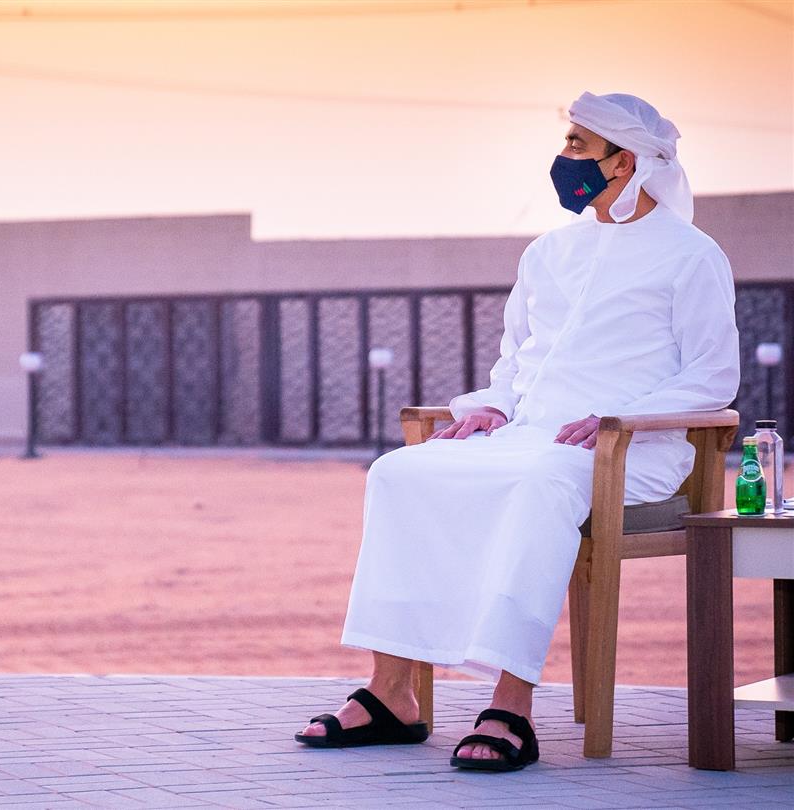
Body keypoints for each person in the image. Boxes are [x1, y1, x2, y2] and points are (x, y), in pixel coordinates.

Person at [294, 92, 740, 771]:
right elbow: (515, 362)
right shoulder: (549, 252)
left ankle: (511, 704)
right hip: (529, 437)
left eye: (577, 145)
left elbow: (713, 376)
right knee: (399, 471)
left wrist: (620, 419)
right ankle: (391, 694)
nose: (563, 157)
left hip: (632, 450)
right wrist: (494, 407)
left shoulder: (691, 255)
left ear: (624, 163)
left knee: (539, 482)